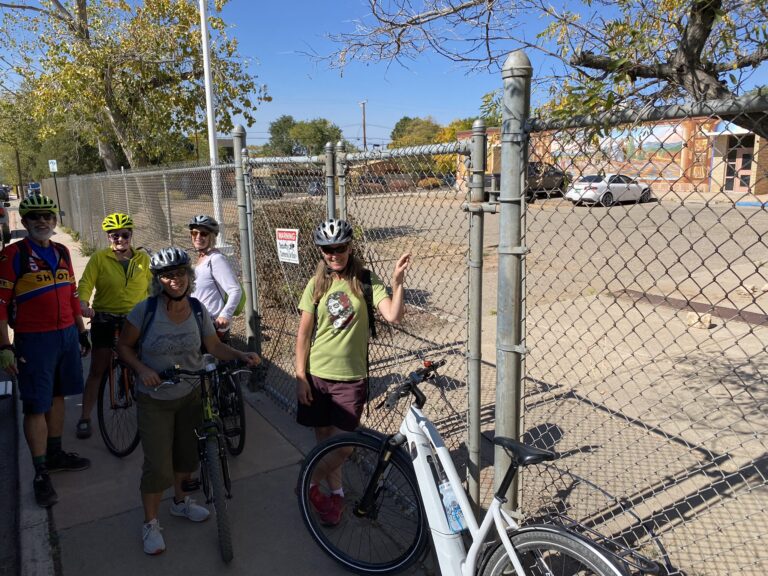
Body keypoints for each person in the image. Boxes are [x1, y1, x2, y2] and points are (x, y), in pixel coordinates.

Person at [117, 246, 260, 556]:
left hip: (191, 393)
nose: (175, 279)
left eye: (180, 273)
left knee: (186, 457)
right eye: (167, 275)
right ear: (157, 280)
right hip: (155, 399)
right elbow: (124, 347)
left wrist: (240, 354)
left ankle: (180, 502)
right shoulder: (145, 311)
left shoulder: (197, 309)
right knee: (158, 466)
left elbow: (213, 346)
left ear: (189, 275)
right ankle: (150, 523)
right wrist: (142, 370)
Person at [295, 218, 411, 526]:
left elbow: (393, 316)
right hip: (318, 375)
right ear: (321, 252)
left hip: (351, 378)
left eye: (340, 247)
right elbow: (304, 334)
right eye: (328, 250)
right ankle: (336, 496)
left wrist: (397, 283)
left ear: (350, 247)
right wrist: (300, 377)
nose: (334, 254)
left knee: (343, 446)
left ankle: (307, 483)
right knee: (324, 441)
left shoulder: (365, 280)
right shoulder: (316, 284)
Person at [0, 195, 91, 508]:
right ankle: (40, 472)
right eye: (35, 217)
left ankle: (55, 454)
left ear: (54, 220)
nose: (42, 221)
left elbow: (72, 296)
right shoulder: (14, 255)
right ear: (25, 222)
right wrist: (5, 346)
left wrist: (81, 332)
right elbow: (0, 305)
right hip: (34, 340)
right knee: (36, 406)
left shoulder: (62, 251)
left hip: (66, 335)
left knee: (58, 396)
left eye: (47, 216)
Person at [75, 213, 152, 439]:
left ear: (131, 235)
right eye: (114, 235)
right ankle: (85, 417)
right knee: (97, 369)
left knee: (143, 363)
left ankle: (146, 403)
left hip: (134, 319)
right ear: (108, 237)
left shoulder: (143, 259)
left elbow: (153, 287)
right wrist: (83, 303)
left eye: (124, 235)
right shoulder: (99, 258)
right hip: (105, 318)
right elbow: (86, 283)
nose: (120, 239)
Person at [188, 215, 242, 343]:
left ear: (211, 237)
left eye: (203, 233)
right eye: (194, 233)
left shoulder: (216, 259)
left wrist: (225, 315)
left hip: (213, 326)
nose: (198, 237)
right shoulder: (201, 258)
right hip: (197, 323)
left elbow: (235, 290)